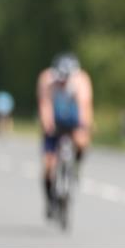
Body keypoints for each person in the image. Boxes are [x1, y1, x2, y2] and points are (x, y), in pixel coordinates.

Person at [36, 53, 93, 218]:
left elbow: (85, 105)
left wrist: (85, 126)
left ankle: (76, 167)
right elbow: (44, 104)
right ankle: (50, 200)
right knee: (48, 165)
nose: (62, 82)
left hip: (73, 119)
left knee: (82, 141)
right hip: (55, 121)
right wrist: (47, 124)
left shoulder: (82, 80)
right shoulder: (46, 79)